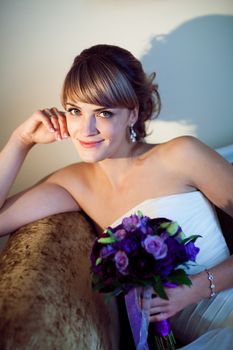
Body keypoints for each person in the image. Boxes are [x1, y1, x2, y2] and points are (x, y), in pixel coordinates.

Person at [0, 44, 233, 349]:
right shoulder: (72, 184)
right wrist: (21, 141)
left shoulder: (182, 155)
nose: (86, 128)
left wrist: (198, 288)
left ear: (132, 113)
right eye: (75, 111)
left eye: (104, 113)